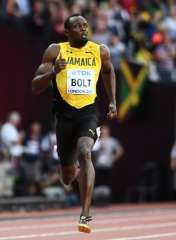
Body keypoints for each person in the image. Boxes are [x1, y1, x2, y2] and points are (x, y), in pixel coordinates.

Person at [32, 14, 117, 234]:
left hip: (88, 113)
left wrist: (113, 101)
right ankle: (73, 169)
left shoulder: (100, 51)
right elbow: (35, 85)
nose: (83, 29)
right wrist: (53, 72)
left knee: (85, 151)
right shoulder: (55, 51)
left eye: (85, 25)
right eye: (77, 26)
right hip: (63, 116)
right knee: (68, 177)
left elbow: (109, 72)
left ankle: (85, 214)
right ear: (67, 31)